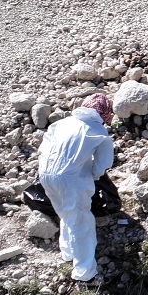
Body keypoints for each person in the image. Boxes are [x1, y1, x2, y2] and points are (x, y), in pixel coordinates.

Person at [38, 93, 116, 282]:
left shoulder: (61, 124)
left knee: (66, 214)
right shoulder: (98, 131)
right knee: (82, 223)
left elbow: (43, 149)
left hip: (46, 174)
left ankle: (68, 253)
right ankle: (85, 274)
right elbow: (102, 165)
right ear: (104, 115)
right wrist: (90, 177)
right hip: (71, 180)